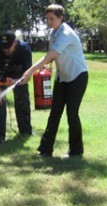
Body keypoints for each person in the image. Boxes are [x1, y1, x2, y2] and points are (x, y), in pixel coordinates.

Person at [20, 4, 88, 158]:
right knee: (55, 113)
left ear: (61, 18)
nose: (49, 22)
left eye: (52, 18)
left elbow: (51, 55)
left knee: (72, 114)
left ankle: (76, 151)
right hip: (62, 77)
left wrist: (30, 71)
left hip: (77, 76)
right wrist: (43, 70)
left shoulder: (66, 33)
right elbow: (53, 57)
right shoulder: (54, 33)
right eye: (47, 19)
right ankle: (45, 150)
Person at [0, 31, 33, 144]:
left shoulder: (24, 50)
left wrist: (16, 82)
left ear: (15, 43)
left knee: (22, 102)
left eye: (8, 47)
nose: (5, 50)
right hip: (0, 77)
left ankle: (25, 131)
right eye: (3, 47)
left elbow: (28, 75)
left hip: (19, 77)